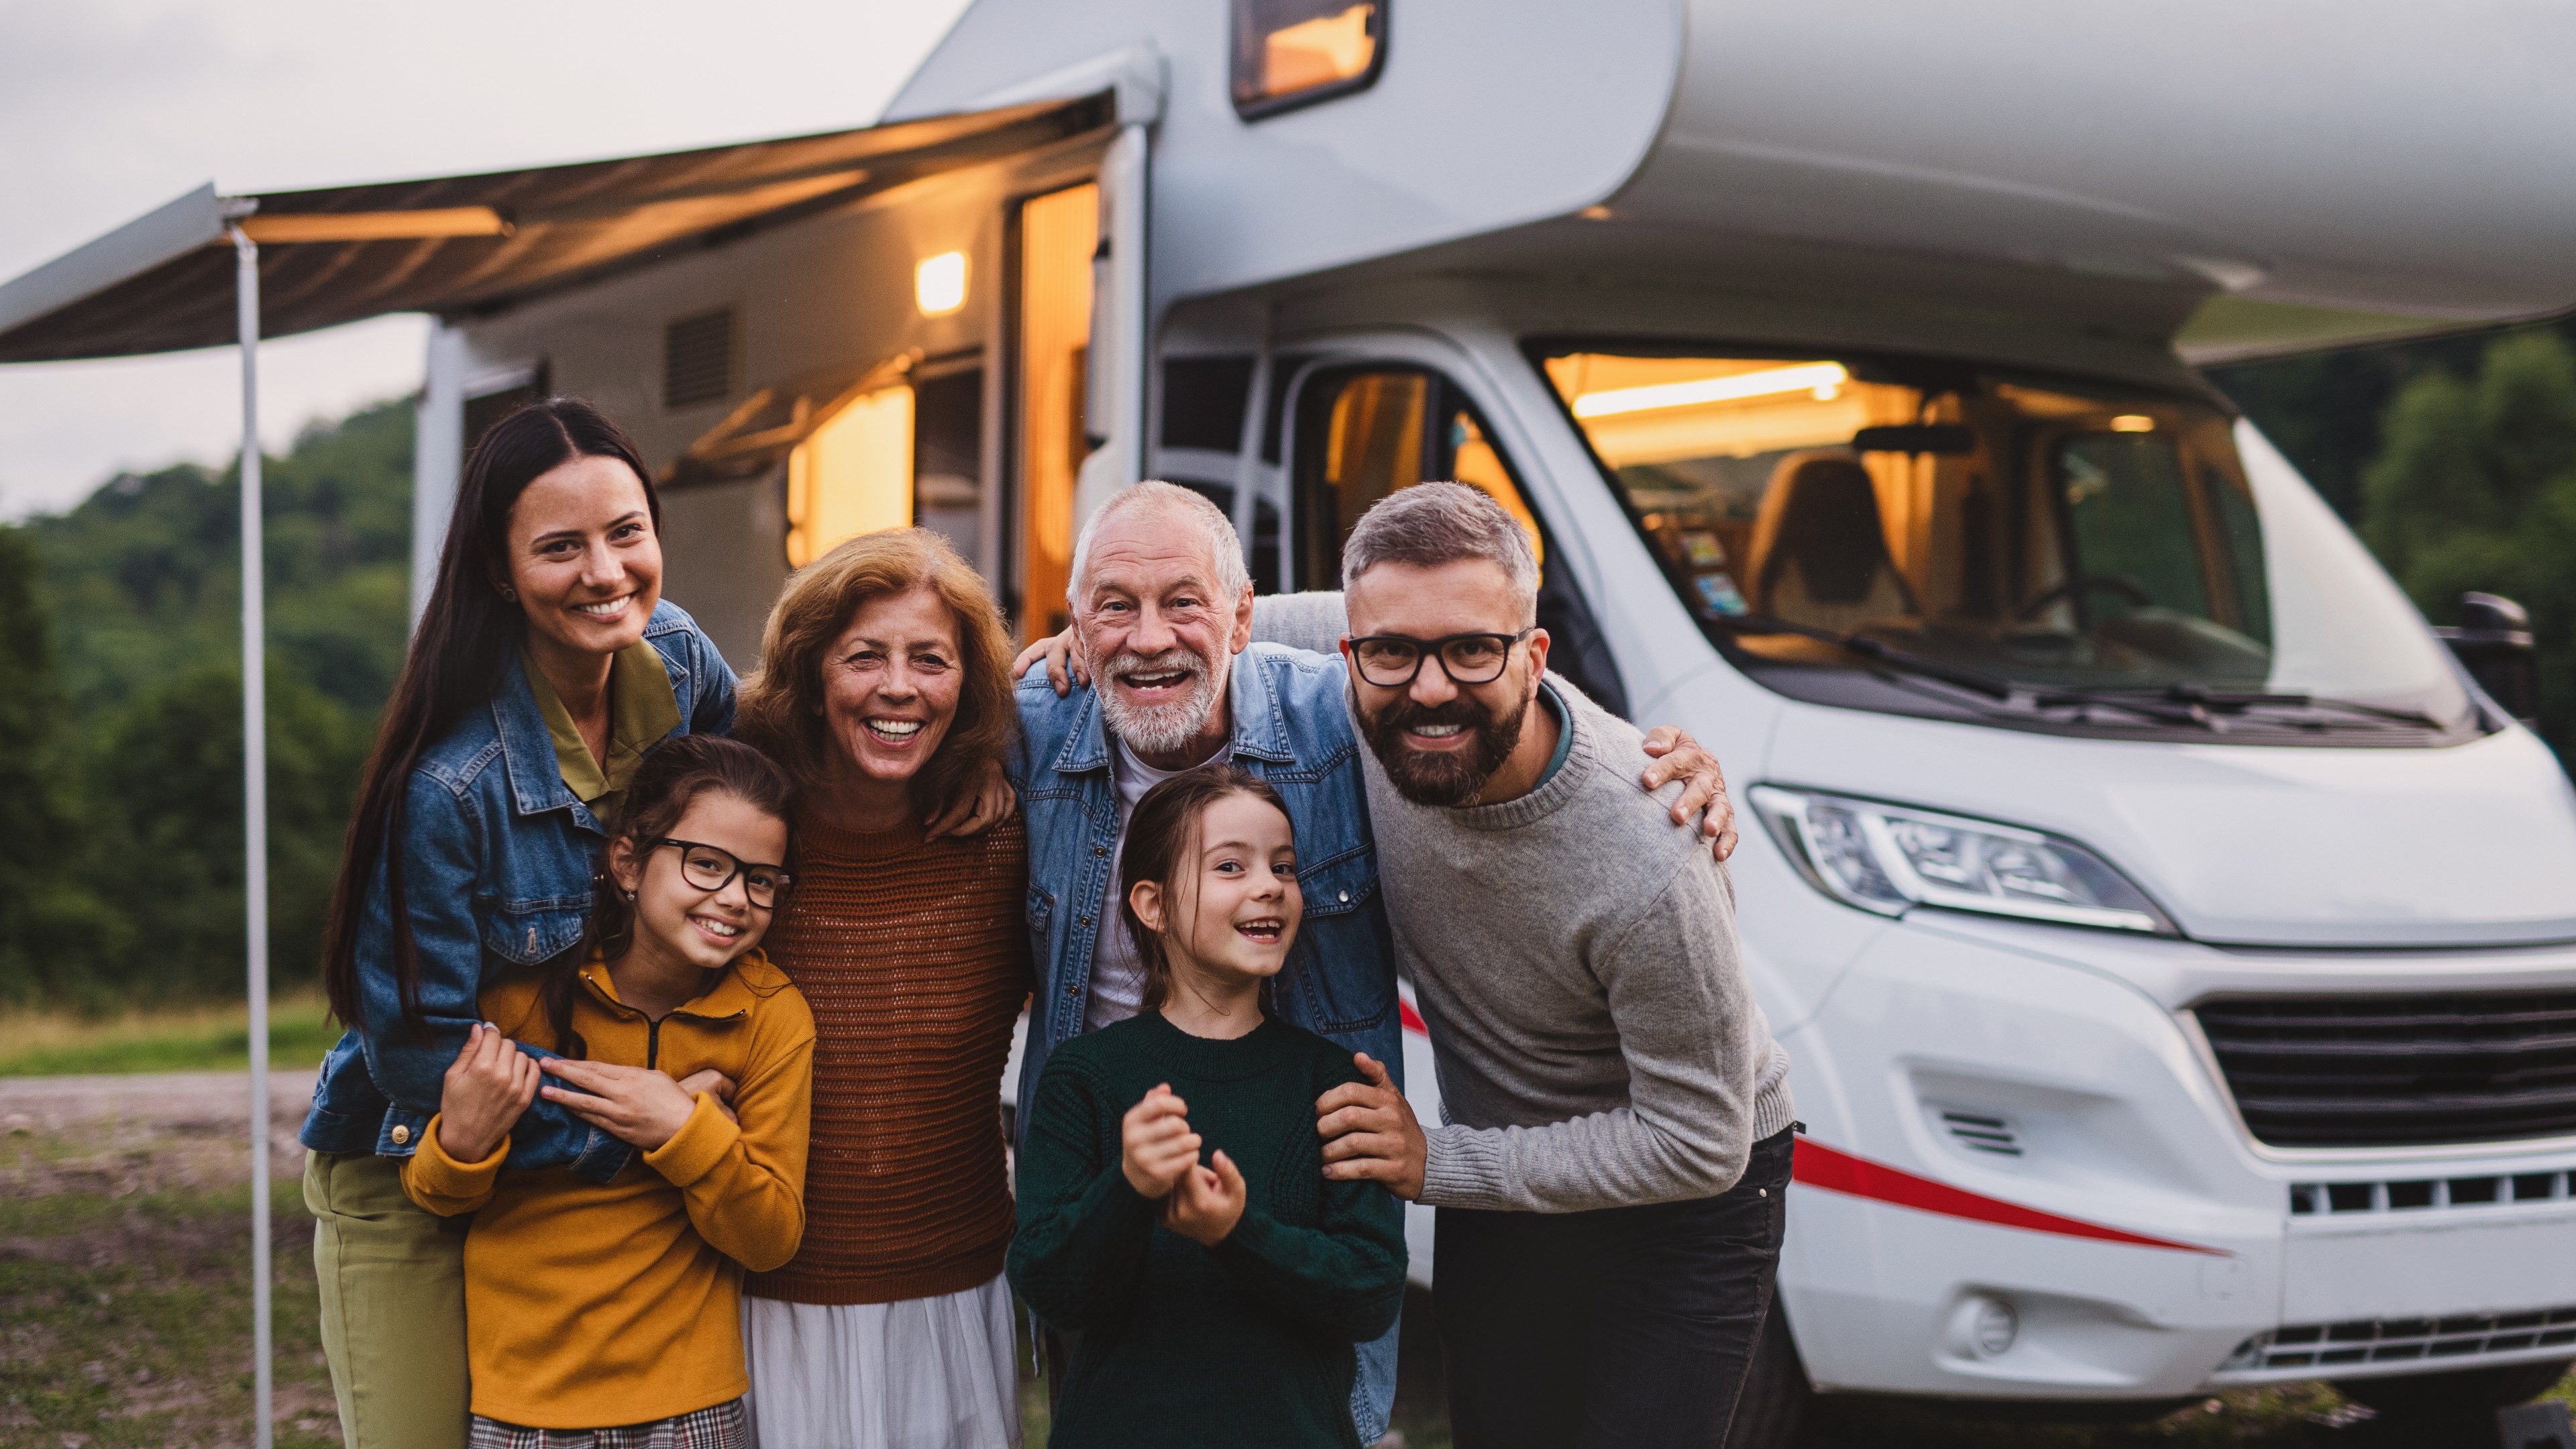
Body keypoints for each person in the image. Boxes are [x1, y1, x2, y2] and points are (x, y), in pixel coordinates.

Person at [1010, 481, 1741, 1444]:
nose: (1150, 638)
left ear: (1239, 617)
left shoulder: (1344, 722)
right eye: (1114, 605)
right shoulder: (1028, 726)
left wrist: (1636, 752)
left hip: (1343, 1164)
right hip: (1122, 1163)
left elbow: (1465, 651)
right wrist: (1101, 631)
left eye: (1186, 603)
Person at [1274, 483, 1797, 1449]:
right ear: (1350, 651)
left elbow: (1698, 1142)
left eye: (1474, 649)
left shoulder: (1648, 855)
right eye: (1392, 652)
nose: (1430, 686)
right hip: (1513, 1167)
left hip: (1688, 1193)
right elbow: (1191, 625)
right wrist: (1076, 651)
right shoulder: (1361, 663)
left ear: (1533, 653)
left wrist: (1439, 1161)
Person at [301, 398, 738, 1449]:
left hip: (567, 1163)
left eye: (627, 532)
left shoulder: (675, 661)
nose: (606, 572)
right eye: (560, 547)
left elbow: (773, 782)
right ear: (500, 573)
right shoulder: (453, 785)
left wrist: (1029, 687)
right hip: (414, 1161)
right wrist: (638, 1123)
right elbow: (417, 1049)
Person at [400, 733, 814, 1449]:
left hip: (693, 1404)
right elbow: (436, 1196)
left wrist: (681, 1130)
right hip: (521, 1404)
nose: (734, 899)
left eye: (761, 880)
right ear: (628, 861)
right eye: (707, 865)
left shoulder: (771, 1016)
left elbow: (770, 1237)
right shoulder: (524, 993)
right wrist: (463, 1143)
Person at [729, 528, 1032, 1449]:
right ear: (814, 674)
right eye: (865, 655)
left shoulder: (1007, 840)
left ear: (966, 685)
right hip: (770, 1300)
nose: (898, 687)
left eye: (930, 660)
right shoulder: (744, 835)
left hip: (955, 1294)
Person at [1010, 765, 1407, 1449]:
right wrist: (1129, 1187)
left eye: (1284, 868)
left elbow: (1369, 1295)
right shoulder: (1086, 1077)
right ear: (1152, 905)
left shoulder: (1335, 1083)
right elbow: (1054, 1291)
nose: (1270, 888)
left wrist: (1235, 1232)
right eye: (1231, 866)